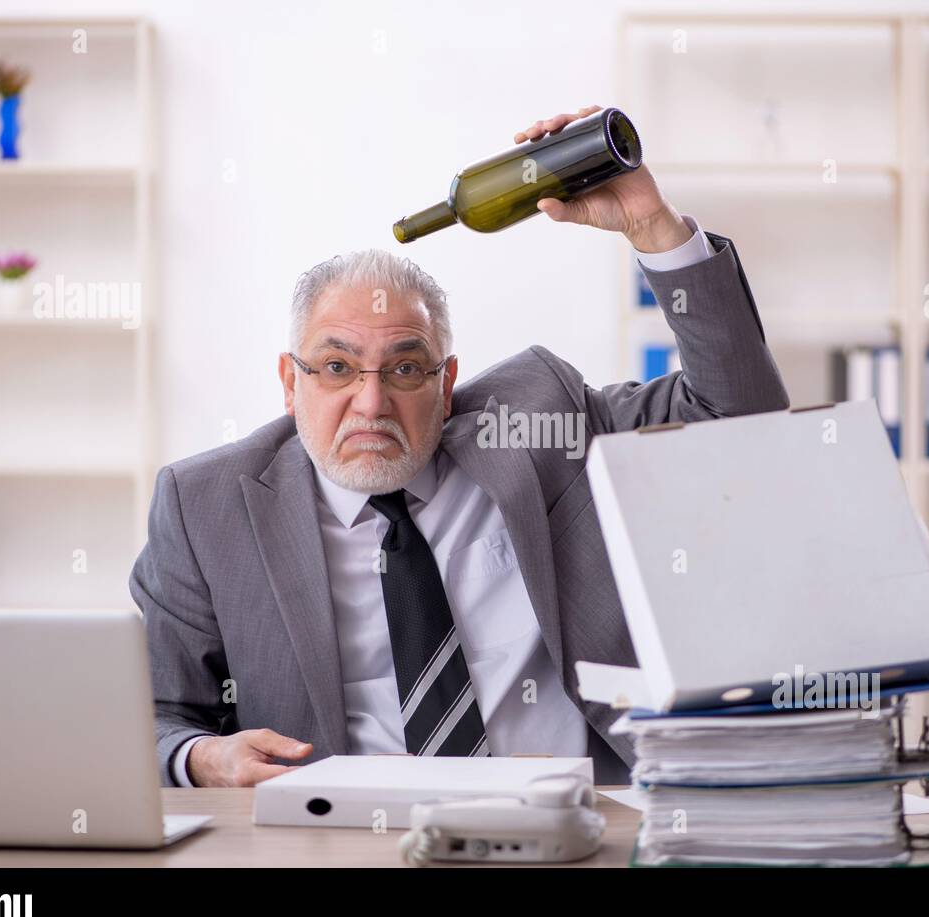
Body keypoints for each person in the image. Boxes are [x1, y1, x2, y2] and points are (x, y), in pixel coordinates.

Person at [130, 106, 790, 787]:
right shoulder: (204, 508)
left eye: (405, 368)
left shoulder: (539, 422)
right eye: (335, 367)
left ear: (446, 384)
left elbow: (742, 419)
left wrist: (652, 225)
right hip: (341, 838)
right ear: (288, 383)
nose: (371, 401)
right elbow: (156, 713)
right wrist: (201, 755)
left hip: (572, 821)